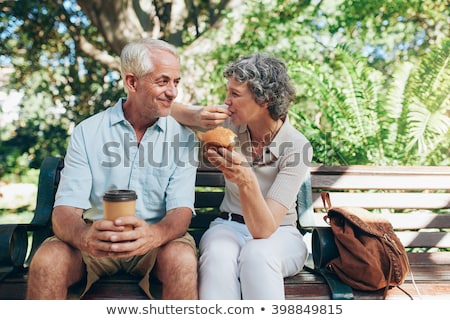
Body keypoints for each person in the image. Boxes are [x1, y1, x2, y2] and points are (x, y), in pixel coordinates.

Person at [26, 38, 199, 300]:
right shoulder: (88, 131)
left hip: (156, 240)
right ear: (132, 82)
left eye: (176, 82)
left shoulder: (183, 137)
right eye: (162, 81)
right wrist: (85, 237)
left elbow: (180, 212)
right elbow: (65, 211)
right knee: (49, 259)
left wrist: (152, 235)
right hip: (95, 238)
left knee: (182, 259)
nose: (173, 92)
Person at [171, 53, 313, 299]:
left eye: (235, 95)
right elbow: (168, 109)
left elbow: (263, 230)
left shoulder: (297, 147)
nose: (227, 102)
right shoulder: (228, 126)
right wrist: (196, 115)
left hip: (280, 233)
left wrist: (245, 178)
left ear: (264, 99)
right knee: (218, 256)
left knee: (258, 254)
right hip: (228, 226)